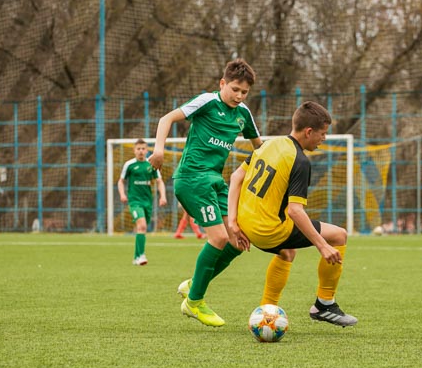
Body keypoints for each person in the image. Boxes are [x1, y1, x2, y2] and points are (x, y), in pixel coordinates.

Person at [148, 58, 262, 327]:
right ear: (223, 83)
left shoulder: (243, 114)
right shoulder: (207, 101)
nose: (238, 96)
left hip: (215, 182)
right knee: (220, 236)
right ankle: (194, 302)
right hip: (191, 178)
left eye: (244, 92)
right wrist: (158, 150)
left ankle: (193, 285)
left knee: (238, 239)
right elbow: (167, 118)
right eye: (234, 89)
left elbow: (260, 148)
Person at [227, 101, 357, 327]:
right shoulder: (299, 161)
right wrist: (322, 245)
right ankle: (324, 304)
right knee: (339, 236)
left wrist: (233, 222)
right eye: (322, 134)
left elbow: (235, 177)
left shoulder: (269, 144)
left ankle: (266, 311)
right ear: (308, 132)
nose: (323, 139)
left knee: (287, 253)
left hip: (245, 223)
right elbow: (295, 211)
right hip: (268, 231)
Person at [117, 138, 168, 266]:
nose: (141, 151)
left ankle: (136, 257)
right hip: (135, 202)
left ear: (147, 150)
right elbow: (121, 181)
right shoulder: (129, 165)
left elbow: (159, 181)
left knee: (142, 228)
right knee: (142, 226)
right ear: (134, 150)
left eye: (143, 149)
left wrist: (163, 196)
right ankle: (141, 256)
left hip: (147, 202)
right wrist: (122, 194)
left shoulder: (151, 165)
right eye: (138, 149)